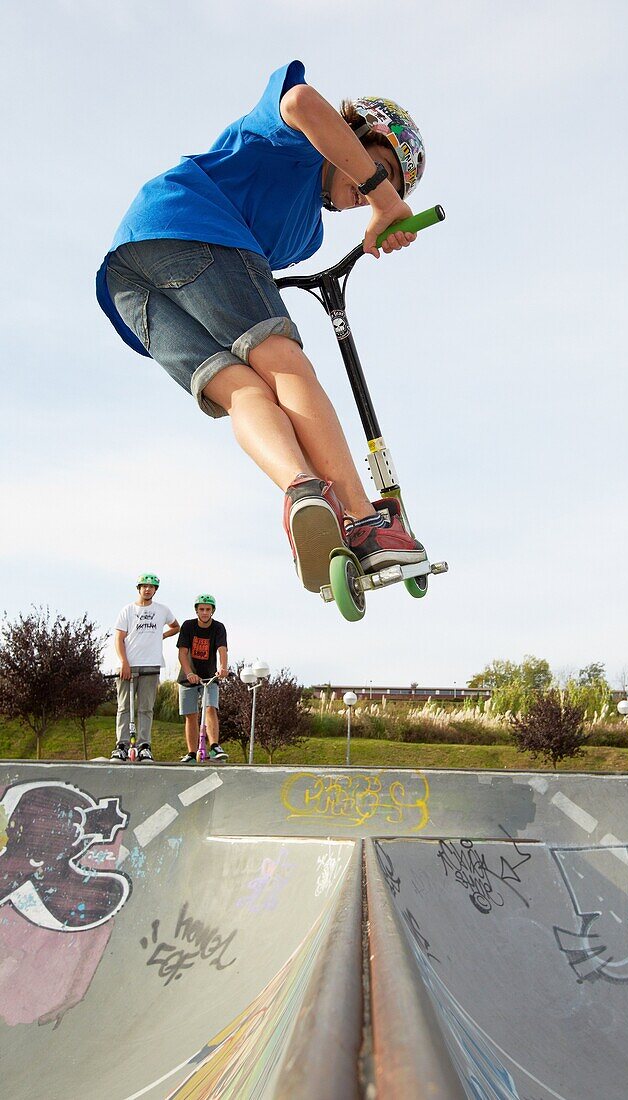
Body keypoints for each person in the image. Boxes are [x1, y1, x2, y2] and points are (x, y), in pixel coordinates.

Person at [96, 61, 429, 593]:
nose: (373, 192)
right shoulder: (298, 141)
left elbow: (233, 288)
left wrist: (378, 212)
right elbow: (300, 103)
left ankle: (303, 492)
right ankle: (365, 522)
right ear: (357, 135)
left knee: (243, 390)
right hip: (185, 220)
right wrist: (386, 199)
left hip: (131, 283)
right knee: (283, 360)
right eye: (380, 170)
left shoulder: (307, 235)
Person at [112, 574, 180, 762]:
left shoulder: (162, 610)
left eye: (151, 587)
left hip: (151, 664)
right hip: (128, 665)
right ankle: (122, 745)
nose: (148, 589)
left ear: (155, 590)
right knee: (124, 706)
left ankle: (144, 745)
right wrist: (124, 662)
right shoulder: (128, 610)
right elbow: (118, 638)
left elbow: (176, 626)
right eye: (144, 586)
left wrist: (162, 636)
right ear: (139, 588)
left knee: (146, 707)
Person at [177, 594, 229, 763]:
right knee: (191, 715)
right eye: (202, 609)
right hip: (188, 678)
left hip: (209, 678)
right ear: (197, 610)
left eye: (208, 609)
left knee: (210, 708)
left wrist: (223, 668)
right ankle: (192, 753)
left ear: (212, 611)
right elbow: (182, 653)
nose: (205, 613)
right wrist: (189, 673)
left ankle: (214, 746)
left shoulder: (218, 627)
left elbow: (222, 650)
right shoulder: (188, 626)